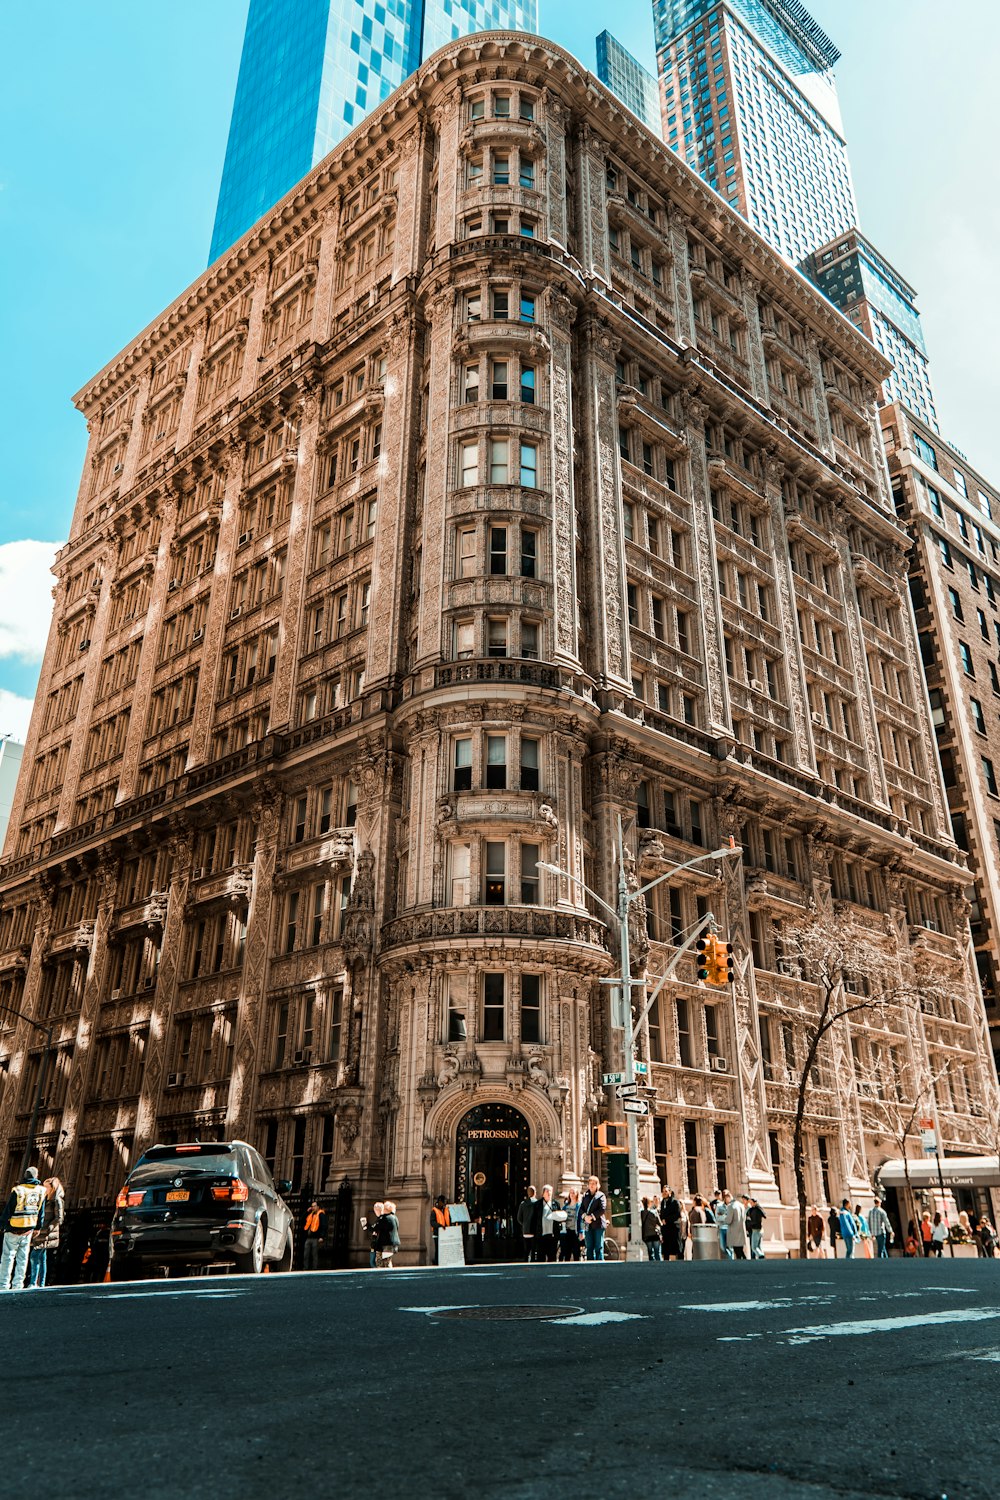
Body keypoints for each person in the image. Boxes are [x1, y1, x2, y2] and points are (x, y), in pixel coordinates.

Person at [1, 1166, 47, 1292]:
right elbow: (41, 1211)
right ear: (36, 1177)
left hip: (13, 1228)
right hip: (28, 1229)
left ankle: (4, 1284)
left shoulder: (18, 1190)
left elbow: (8, 1210)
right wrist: (38, 1227)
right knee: (23, 1258)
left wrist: (2, 1225)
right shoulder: (42, 1191)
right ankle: (18, 1284)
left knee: (8, 1257)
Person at [28, 1176, 65, 1289]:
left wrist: (49, 1228)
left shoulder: (56, 1200)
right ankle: (41, 1283)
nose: (44, 1189)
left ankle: (33, 1282)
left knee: (34, 1256)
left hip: (47, 1232)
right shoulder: (44, 1199)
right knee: (42, 1258)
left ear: (52, 1188)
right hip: (41, 1231)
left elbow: (59, 1217)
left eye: (46, 1187)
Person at [529, 1184, 560, 1262]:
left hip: (552, 1235)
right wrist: (533, 1233)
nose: (549, 1193)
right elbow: (533, 1219)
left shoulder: (556, 1204)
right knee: (540, 1257)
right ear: (543, 1193)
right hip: (541, 1235)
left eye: (550, 1191)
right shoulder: (537, 1205)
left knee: (552, 1257)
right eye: (547, 1191)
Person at [580, 1176, 608, 1261]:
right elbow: (581, 1209)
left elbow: (602, 1209)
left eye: (593, 1184)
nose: (591, 1185)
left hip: (598, 1225)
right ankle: (589, 1264)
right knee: (589, 1246)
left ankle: (600, 1265)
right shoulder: (585, 1195)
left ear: (597, 1185)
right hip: (588, 1225)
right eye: (590, 1183)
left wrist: (591, 1217)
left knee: (598, 1246)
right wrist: (585, 1217)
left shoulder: (601, 1195)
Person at [301, 1199, 326, 1271]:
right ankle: (305, 1268)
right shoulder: (310, 1214)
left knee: (314, 1254)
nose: (313, 1208)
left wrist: (321, 1236)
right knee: (306, 1254)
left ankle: (314, 1268)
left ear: (318, 1207)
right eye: (312, 1206)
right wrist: (307, 1211)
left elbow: (324, 1226)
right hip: (308, 1237)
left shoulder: (321, 1214)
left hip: (316, 1238)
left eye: (314, 1206)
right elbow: (302, 1220)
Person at [660, 1188, 683, 1261]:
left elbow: (677, 1214)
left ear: (669, 1192)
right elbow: (661, 1213)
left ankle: (680, 1260)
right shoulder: (662, 1202)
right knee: (666, 1246)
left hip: (674, 1227)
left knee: (676, 1245)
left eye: (666, 1191)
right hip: (665, 1228)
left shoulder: (675, 1202)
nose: (664, 1193)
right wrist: (662, 1219)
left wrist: (667, 1219)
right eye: (663, 1191)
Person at [559, 1190, 582, 1261]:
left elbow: (582, 1220)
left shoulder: (579, 1206)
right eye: (570, 1193)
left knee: (576, 1253)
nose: (572, 1194)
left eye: (573, 1193)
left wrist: (582, 1231)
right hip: (567, 1232)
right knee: (567, 1253)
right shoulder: (565, 1207)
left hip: (575, 1232)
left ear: (577, 1194)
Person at [376, 1199, 400, 1267]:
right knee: (388, 1260)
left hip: (386, 1243)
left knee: (385, 1261)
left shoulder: (385, 1218)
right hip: (393, 1242)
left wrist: (366, 1225)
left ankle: (386, 1275)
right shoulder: (395, 1217)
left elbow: (377, 1228)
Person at [361, 1201, 384, 1268]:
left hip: (378, 1243)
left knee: (374, 1262)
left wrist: (366, 1225)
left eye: (375, 1210)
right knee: (373, 1261)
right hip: (376, 1243)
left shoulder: (381, 1219)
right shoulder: (380, 1219)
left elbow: (374, 1229)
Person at [517, 1186, 537, 1262]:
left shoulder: (522, 1204)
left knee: (526, 1249)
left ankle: (525, 1262)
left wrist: (524, 1224)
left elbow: (519, 1218)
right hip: (534, 1230)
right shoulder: (537, 1203)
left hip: (525, 1231)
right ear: (535, 1192)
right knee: (534, 1249)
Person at [429, 1195, 451, 1264]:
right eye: (443, 1202)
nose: (444, 1204)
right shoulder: (434, 1211)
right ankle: (437, 1263)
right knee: (438, 1249)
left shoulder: (445, 1210)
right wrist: (440, 1226)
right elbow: (432, 1222)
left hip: (445, 1233)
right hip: (437, 1233)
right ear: (439, 1202)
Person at [726, 1192, 747, 1260]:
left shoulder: (731, 1206)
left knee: (737, 1250)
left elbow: (729, 1220)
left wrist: (724, 1219)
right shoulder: (741, 1206)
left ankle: (741, 1262)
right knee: (740, 1249)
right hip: (741, 1229)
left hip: (734, 1230)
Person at [640, 1197, 662, 1261]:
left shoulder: (641, 1213)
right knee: (657, 1252)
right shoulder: (654, 1212)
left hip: (647, 1235)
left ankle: (652, 1266)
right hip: (655, 1234)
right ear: (649, 1203)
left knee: (650, 1253)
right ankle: (660, 1266)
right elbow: (660, 1223)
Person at [715, 1190, 734, 1260]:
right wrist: (726, 1217)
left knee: (730, 1246)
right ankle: (729, 1258)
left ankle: (730, 1260)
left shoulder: (733, 1207)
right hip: (722, 1228)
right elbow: (717, 1217)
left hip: (730, 1228)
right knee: (722, 1247)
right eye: (727, 1197)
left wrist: (724, 1216)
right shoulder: (719, 1206)